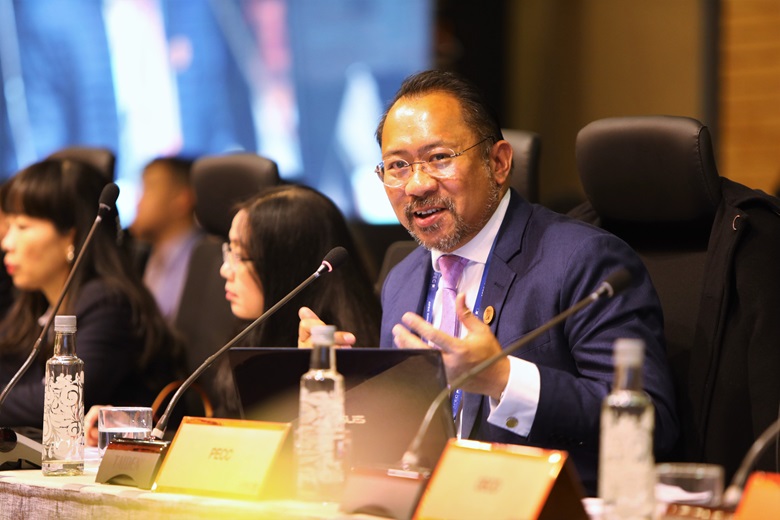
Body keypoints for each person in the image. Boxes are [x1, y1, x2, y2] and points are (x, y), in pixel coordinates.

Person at [299, 70, 679, 495]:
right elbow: (409, 435)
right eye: (398, 166)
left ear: (498, 163)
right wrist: (343, 387)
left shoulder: (584, 261)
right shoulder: (401, 279)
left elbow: (652, 427)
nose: (417, 185)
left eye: (439, 157)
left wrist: (503, 379)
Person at [0, 158, 183, 429]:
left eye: (23, 226)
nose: (7, 242)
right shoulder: (34, 302)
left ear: (71, 237)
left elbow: (60, 403)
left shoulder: (109, 304)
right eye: (8, 226)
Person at [129, 157, 203, 324]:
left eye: (149, 188)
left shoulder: (201, 263)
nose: (138, 203)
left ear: (182, 199)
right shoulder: (146, 255)